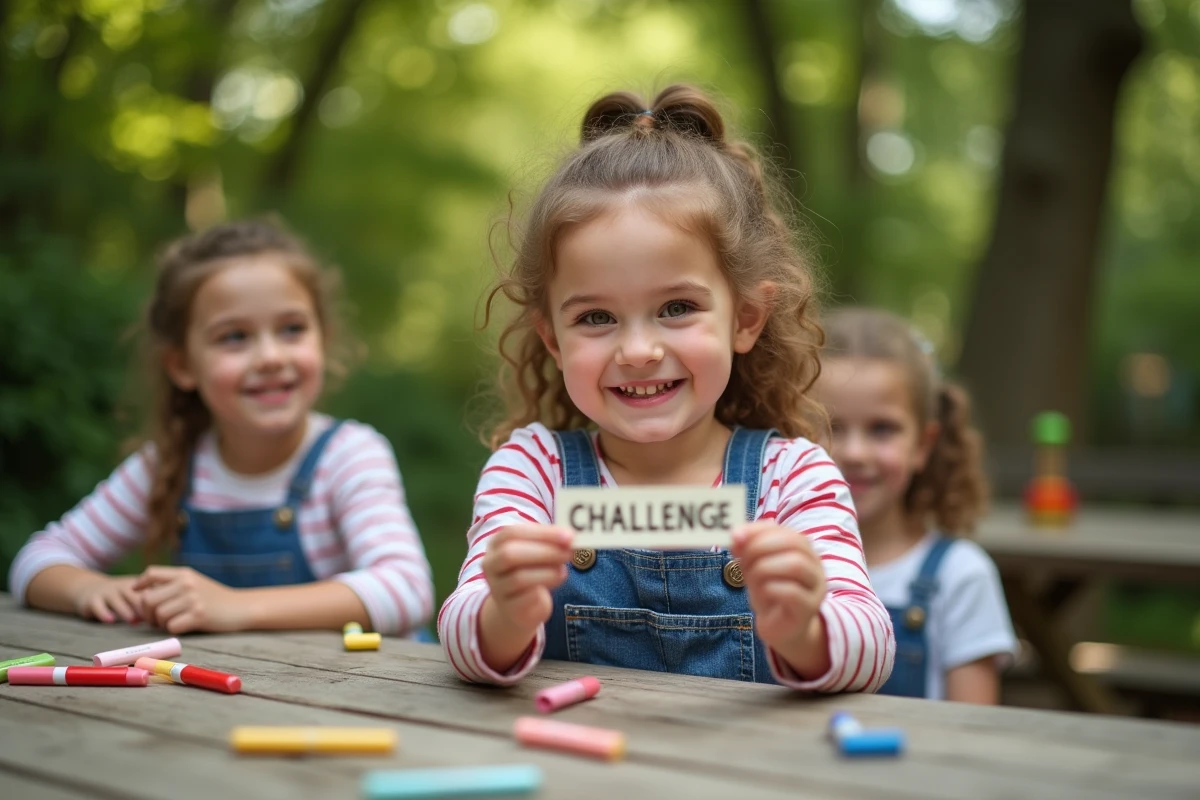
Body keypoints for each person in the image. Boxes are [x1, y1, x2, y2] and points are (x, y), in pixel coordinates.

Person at [438, 85, 894, 691]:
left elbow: (873, 646)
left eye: (677, 307)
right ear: (552, 339)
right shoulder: (532, 472)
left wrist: (807, 631)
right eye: (595, 318)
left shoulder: (794, 478)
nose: (638, 351)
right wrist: (502, 614)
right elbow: (461, 637)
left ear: (747, 319)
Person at [9, 219, 434, 636]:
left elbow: (407, 589)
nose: (269, 356)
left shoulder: (350, 455)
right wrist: (90, 589)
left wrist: (236, 607)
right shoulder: (169, 465)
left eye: (292, 329)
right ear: (182, 365)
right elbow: (35, 560)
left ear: (322, 339)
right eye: (234, 337)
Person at [815, 307, 1018, 702]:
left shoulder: (960, 577)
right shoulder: (770, 562)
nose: (855, 452)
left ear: (923, 446)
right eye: (831, 427)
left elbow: (970, 736)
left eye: (882, 429)